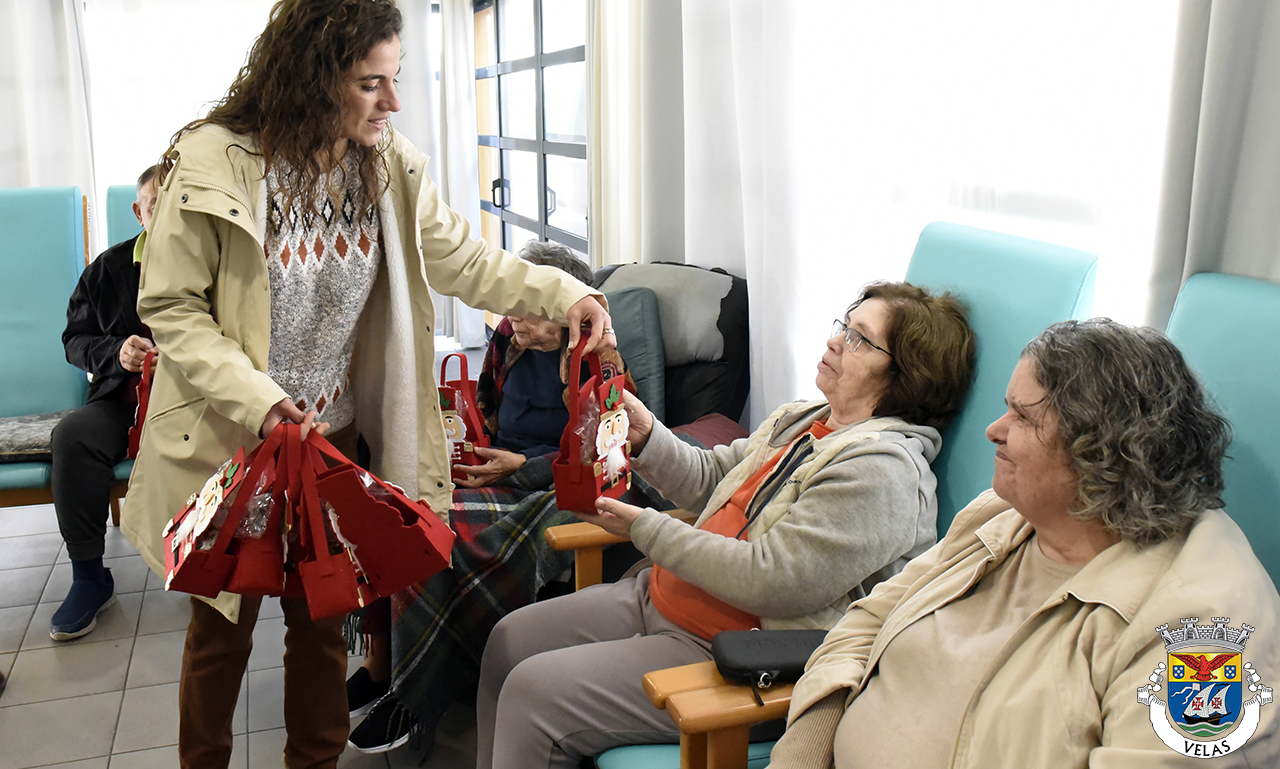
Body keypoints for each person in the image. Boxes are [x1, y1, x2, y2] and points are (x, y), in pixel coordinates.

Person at [118, 0, 611, 769]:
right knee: (221, 630)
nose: (393, 102)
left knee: (321, 622)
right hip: (233, 439)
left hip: (332, 438)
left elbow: (465, 259)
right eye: (370, 82)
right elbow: (173, 308)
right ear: (315, 79)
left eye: (396, 77)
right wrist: (261, 399)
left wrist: (566, 291)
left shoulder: (388, 166)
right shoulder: (215, 161)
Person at [476, 281, 977, 768]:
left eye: (860, 339)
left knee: (532, 694)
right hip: (662, 597)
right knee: (507, 640)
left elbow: (773, 578)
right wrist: (646, 433)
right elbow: (712, 478)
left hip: (735, 655)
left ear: (906, 377)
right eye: (844, 326)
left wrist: (645, 528)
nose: (834, 341)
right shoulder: (804, 419)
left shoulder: (882, 472)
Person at [767, 318, 1280, 768]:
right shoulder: (1004, 514)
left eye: (1023, 417)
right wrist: (804, 751)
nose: (994, 430)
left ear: (1102, 451)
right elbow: (865, 624)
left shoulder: (1206, 631)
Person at [346, 240, 633, 753]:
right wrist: (470, 452)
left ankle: (412, 693)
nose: (512, 316)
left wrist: (521, 466)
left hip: (548, 482)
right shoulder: (509, 339)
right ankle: (380, 663)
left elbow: (607, 450)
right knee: (394, 506)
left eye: (529, 307)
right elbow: (487, 406)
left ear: (563, 309)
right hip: (496, 467)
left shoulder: (596, 359)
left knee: (435, 529)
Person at [48, 167, 159, 641]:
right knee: (73, 435)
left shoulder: (215, 262)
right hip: (123, 400)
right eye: (155, 205)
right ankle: (89, 578)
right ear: (139, 212)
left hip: (198, 402)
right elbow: (74, 340)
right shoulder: (107, 269)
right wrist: (117, 351)